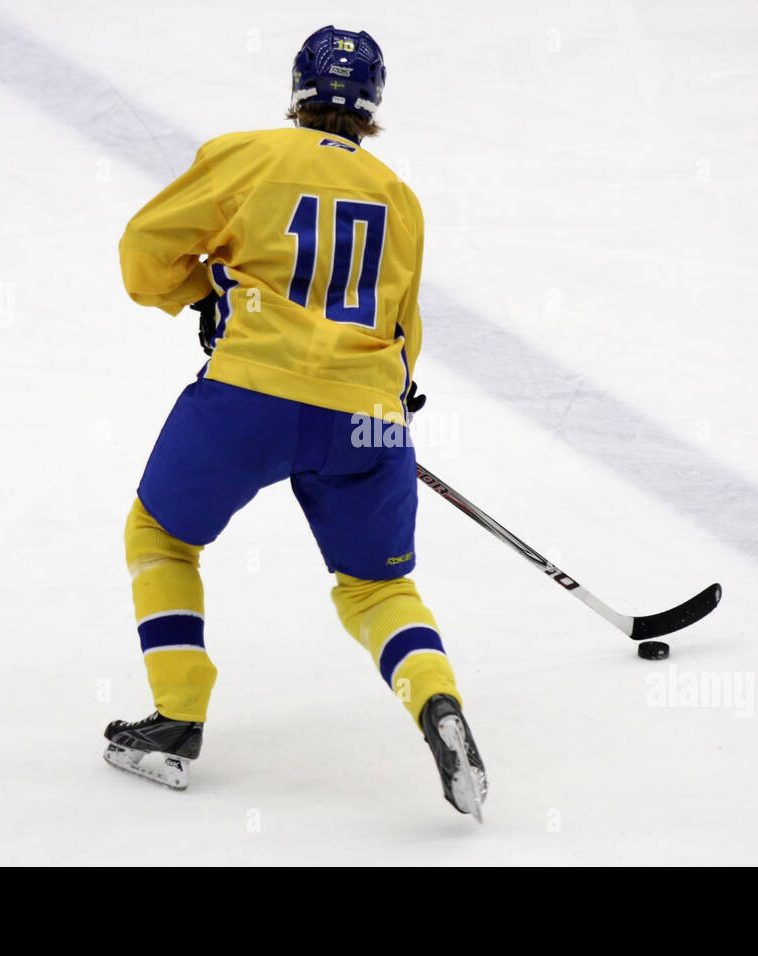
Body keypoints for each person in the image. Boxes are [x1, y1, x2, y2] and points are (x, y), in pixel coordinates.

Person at [102, 25, 487, 819]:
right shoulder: (399, 196)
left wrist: (204, 296)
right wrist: (393, 393)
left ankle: (175, 721)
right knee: (379, 587)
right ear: (373, 108)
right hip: (367, 415)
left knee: (161, 536)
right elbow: (407, 328)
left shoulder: (248, 156)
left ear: (296, 92)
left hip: (250, 399)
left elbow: (144, 252)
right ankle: (438, 705)